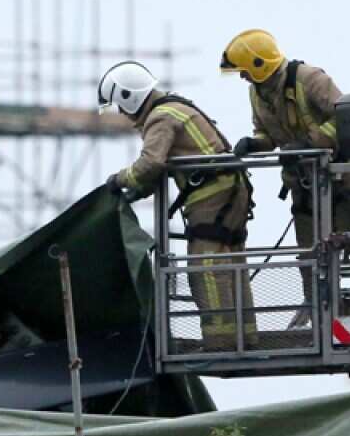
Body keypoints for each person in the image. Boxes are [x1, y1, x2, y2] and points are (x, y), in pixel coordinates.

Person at [220, 29, 350, 325]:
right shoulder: (257, 92)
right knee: (311, 259)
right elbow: (267, 133)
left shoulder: (309, 79)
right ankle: (325, 321)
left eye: (243, 71)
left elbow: (345, 118)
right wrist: (255, 143)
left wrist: (311, 143)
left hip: (342, 182)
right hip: (304, 188)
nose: (242, 77)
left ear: (259, 65)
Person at [99, 60, 256, 350]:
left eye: (120, 105)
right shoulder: (174, 108)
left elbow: (151, 163)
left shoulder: (159, 118)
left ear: (128, 97)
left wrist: (119, 180)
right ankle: (245, 335)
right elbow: (159, 168)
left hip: (212, 197)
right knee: (231, 262)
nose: (121, 113)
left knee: (205, 268)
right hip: (229, 191)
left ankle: (221, 340)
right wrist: (138, 192)